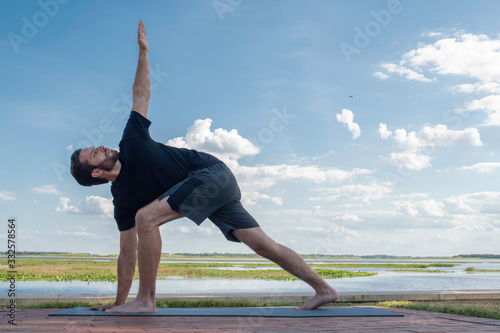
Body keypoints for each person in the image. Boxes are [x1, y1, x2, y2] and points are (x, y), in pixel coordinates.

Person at [70, 20, 339, 313]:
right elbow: (126, 254)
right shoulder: (122, 201)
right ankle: (325, 289)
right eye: (94, 154)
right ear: (95, 173)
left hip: (212, 173)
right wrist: (117, 304)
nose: (102, 147)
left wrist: (144, 52)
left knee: (147, 218)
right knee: (262, 245)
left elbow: (141, 95)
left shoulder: (131, 140)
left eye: (96, 146)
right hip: (213, 189)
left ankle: (146, 300)